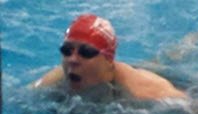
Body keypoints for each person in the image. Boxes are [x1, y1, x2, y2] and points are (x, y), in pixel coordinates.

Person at [30, 14, 187, 101]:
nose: (73, 59)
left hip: (172, 80)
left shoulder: (143, 91)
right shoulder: (56, 79)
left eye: (86, 52)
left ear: (108, 59)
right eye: (67, 50)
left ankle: (193, 43)